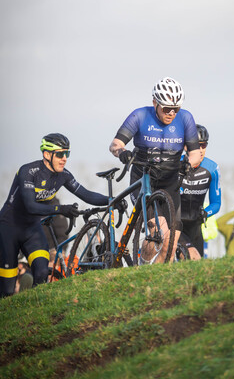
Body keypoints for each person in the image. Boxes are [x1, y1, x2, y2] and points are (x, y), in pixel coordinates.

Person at [0, 133, 111, 298]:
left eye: (67, 153)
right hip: (9, 227)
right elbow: (31, 206)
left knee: (42, 271)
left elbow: (86, 194)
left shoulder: (63, 175)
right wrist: (61, 209)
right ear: (47, 154)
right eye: (60, 154)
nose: (64, 158)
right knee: (7, 290)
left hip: (31, 229)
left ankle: (34, 308)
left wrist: (112, 200)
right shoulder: (28, 172)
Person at [109, 77, 201, 262]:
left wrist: (188, 163)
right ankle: (144, 263)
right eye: (166, 109)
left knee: (172, 239)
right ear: (154, 103)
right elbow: (115, 144)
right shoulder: (140, 115)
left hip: (170, 180)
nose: (171, 113)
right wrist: (122, 153)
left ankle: (157, 273)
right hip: (143, 177)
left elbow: (196, 153)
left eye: (176, 109)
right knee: (158, 227)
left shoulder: (185, 118)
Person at [179, 124, 221, 260]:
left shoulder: (212, 168)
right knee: (184, 257)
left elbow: (216, 203)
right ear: (186, 146)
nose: (201, 150)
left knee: (196, 265)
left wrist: (206, 212)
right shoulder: (175, 165)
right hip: (174, 223)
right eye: (197, 146)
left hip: (195, 224)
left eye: (204, 145)